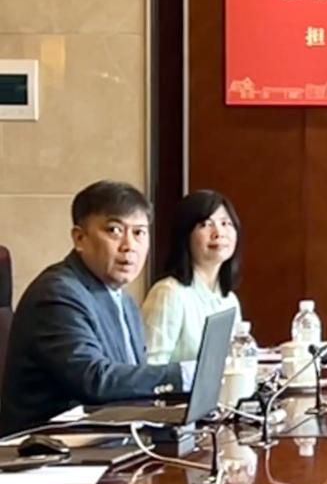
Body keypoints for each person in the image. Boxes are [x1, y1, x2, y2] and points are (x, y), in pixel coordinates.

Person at [0, 181, 186, 436]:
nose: (129, 245)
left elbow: (129, 383)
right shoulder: (57, 294)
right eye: (114, 230)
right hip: (48, 446)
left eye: (139, 233)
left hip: (109, 437)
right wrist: (181, 376)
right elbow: (95, 379)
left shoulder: (124, 300)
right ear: (80, 238)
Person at [141, 190, 243, 364]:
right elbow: (151, 367)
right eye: (205, 224)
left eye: (226, 223)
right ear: (185, 235)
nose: (218, 232)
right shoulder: (169, 293)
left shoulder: (229, 300)